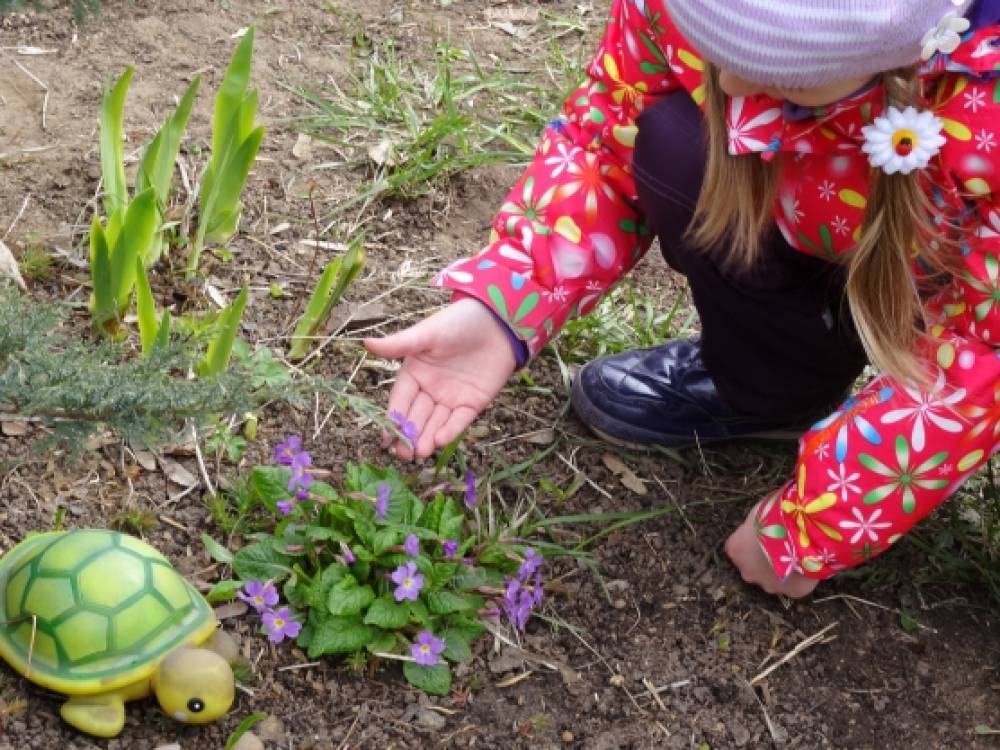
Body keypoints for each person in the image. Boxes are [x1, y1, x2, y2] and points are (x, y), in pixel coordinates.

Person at [365, 0, 1000, 599]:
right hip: (829, 223)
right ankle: (774, 388)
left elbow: (980, 356)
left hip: (953, 279)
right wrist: (506, 305)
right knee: (674, 138)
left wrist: (812, 529)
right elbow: (603, 137)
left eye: (786, 83)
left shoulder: (985, 111)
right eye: (711, 50)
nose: (726, 89)